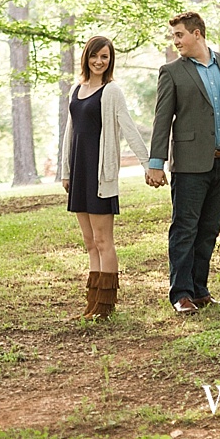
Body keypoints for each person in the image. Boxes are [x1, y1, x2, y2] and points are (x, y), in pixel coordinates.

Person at [146, 10, 220, 314]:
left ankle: (200, 290)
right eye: (174, 36)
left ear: (197, 34)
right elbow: (162, 119)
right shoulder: (172, 72)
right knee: (185, 229)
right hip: (190, 165)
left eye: (179, 34)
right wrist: (157, 162)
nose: (175, 41)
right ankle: (181, 294)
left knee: (209, 228)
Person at [59, 35, 152, 319]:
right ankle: (92, 302)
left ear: (110, 61)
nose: (100, 61)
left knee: (103, 241)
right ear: (86, 57)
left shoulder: (112, 91)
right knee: (89, 242)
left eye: (105, 57)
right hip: (79, 171)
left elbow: (128, 126)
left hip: (100, 173)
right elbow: (69, 132)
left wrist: (148, 163)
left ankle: (105, 305)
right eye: (95, 56)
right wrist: (65, 171)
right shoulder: (76, 89)